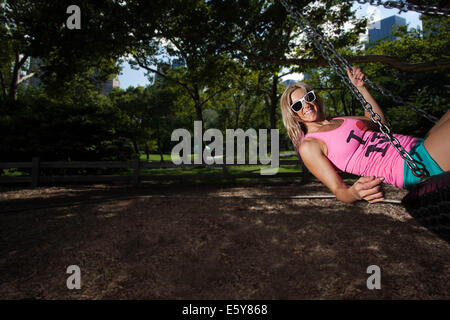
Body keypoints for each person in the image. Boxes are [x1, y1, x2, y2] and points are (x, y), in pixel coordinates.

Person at [280, 66, 449, 204]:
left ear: (315, 98)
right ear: (293, 115)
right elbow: (339, 190)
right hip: (411, 166)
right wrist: (354, 193)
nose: (306, 105)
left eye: (308, 97)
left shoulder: (341, 120)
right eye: (297, 106)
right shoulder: (310, 145)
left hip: (419, 145)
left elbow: (379, 122)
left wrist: (360, 88)